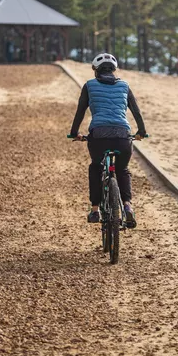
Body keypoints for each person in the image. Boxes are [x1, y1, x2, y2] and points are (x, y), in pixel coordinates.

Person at [69, 53, 147, 228]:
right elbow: (136, 111)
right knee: (122, 169)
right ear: (114, 70)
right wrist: (141, 132)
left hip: (99, 137)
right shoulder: (125, 86)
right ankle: (127, 206)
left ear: (95, 70)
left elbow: (80, 112)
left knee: (96, 167)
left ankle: (95, 209)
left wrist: (74, 133)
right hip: (123, 137)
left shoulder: (89, 86)